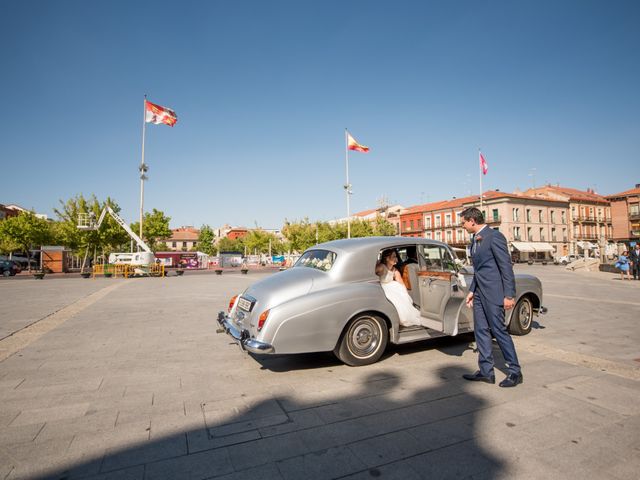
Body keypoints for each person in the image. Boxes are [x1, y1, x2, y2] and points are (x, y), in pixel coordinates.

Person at [460, 207, 523, 388]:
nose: (462, 225)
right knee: (481, 331)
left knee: (499, 331)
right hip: (479, 293)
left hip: (495, 293)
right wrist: (472, 291)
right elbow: (479, 270)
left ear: (472, 221)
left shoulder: (494, 237)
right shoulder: (475, 238)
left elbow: (506, 267)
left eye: (463, 222)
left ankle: (515, 371)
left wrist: (509, 295)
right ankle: (486, 371)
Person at [375, 250, 423, 327]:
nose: (396, 259)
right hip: (381, 287)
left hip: (392, 286)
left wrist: (406, 295)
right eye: (394, 256)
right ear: (387, 258)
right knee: (393, 297)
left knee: (400, 292)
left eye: (396, 256)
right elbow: (371, 273)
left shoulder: (395, 270)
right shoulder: (381, 267)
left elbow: (401, 283)